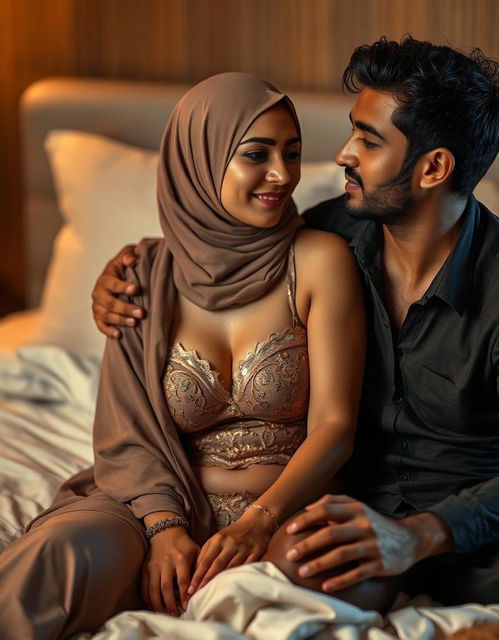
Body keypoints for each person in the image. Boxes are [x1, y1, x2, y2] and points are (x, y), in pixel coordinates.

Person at [92, 38, 499, 638]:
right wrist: (129, 272)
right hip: (355, 513)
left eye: (370, 141)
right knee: (273, 592)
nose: (344, 154)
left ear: (433, 168)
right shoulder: (330, 234)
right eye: (354, 131)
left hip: (490, 528)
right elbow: (217, 252)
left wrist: (418, 535)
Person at [0, 72, 369, 639]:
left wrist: (257, 522)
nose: (281, 175)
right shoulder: (141, 275)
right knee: (60, 551)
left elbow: (335, 426)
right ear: (198, 158)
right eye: (256, 154)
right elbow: (126, 433)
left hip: (278, 515)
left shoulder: (319, 260)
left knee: (326, 582)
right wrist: (164, 530)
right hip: (153, 505)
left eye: (291, 153)